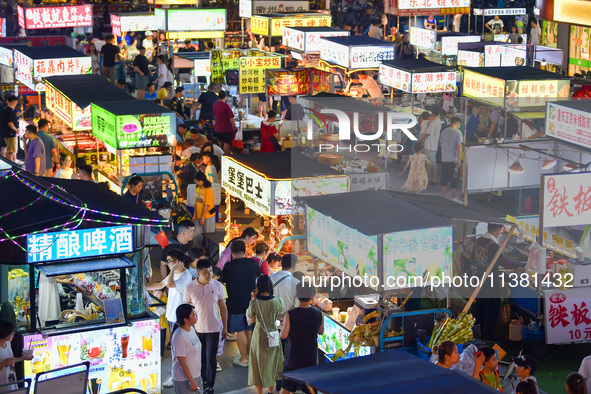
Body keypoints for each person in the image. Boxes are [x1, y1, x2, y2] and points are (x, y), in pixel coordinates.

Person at [146, 249, 193, 388]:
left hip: (180, 318)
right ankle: (178, 375)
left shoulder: (185, 276)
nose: (167, 264)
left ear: (177, 262)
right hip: (173, 316)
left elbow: (170, 284)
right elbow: (161, 284)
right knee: (176, 348)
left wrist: (172, 271)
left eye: (169, 261)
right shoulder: (176, 273)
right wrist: (143, 287)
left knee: (177, 350)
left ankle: (176, 377)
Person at [183, 259, 227, 394]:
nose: (209, 274)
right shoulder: (190, 287)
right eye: (205, 272)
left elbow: (223, 307)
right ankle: (200, 381)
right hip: (196, 329)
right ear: (198, 273)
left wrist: (225, 327)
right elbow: (186, 309)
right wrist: (189, 328)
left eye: (210, 271)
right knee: (198, 358)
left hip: (214, 328)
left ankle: (209, 385)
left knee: (210, 358)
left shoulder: (218, 286)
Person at [471, 224, 522, 340]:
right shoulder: (493, 246)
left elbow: (472, 258)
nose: (499, 233)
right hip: (491, 281)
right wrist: (519, 264)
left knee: (480, 305)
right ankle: (488, 336)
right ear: (495, 230)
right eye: (499, 231)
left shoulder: (478, 240)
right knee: (492, 307)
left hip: (479, 278)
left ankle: (476, 333)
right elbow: (504, 262)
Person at [222, 240, 261, 368]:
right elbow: (258, 277)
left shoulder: (229, 266)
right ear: (245, 251)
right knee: (249, 329)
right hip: (251, 302)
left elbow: (223, 282)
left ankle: (243, 358)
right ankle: (249, 356)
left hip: (235, 302)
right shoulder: (253, 263)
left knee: (240, 331)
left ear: (232, 252)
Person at [280, 282, 323, 394]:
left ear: (297, 295)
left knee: (286, 388)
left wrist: (282, 325)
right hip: (310, 359)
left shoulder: (290, 314)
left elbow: (283, 335)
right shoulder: (319, 313)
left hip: (293, 359)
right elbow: (321, 331)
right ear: (312, 296)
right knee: (310, 390)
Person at [247, 275, 284, 394]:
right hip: (273, 335)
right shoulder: (277, 301)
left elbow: (251, 320)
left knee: (257, 366)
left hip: (259, 337)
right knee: (272, 364)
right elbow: (279, 313)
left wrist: (253, 298)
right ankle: (271, 392)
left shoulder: (254, 303)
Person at [171, 304, 202, 394]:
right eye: (193, 315)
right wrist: (191, 382)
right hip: (184, 379)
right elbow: (182, 362)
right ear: (185, 320)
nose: (196, 316)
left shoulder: (191, 329)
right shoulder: (179, 336)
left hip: (195, 375)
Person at [0, 319, 33, 391]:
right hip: (2, 386)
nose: (13, 333)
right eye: (11, 332)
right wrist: (3, 364)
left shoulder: (8, 343)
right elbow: (6, 362)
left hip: (12, 383)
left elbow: (11, 361)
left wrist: (23, 358)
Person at [439, 116, 462, 201]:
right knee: (454, 179)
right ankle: (454, 198)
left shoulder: (444, 131)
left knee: (444, 178)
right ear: (457, 123)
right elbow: (459, 147)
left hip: (444, 159)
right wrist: (459, 161)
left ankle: (443, 197)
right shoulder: (458, 132)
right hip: (453, 160)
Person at [418, 106, 442, 185]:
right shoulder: (437, 120)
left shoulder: (434, 122)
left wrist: (421, 138)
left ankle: (431, 178)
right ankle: (431, 178)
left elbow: (428, 132)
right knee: (432, 163)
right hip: (432, 144)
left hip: (430, 145)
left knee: (431, 163)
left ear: (433, 113)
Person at [192, 172, 215, 246]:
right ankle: (197, 252)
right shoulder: (197, 188)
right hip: (199, 216)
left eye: (199, 181)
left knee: (209, 236)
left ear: (203, 180)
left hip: (208, 216)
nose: (197, 182)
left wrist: (203, 217)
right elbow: (196, 203)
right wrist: (194, 215)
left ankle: (211, 255)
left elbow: (206, 205)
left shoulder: (208, 190)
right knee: (197, 235)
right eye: (196, 181)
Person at [212, 90, 236, 155]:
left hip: (217, 128)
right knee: (226, 143)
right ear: (225, 97)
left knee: (219, 143)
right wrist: (234, 125)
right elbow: (231, 117)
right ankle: (226, 157)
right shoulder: (226, 105)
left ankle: (219, 156)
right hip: (226, 128)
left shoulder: (215, 104)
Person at [0, 95, 19, 161]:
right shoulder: (9, 111)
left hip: (6, 133)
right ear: (14, 102)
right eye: (16, 102)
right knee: (10, 151)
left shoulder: (6, 109)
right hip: (10, 134)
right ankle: (10, 166)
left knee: (9, 150)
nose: (16, 104)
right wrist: (16, 129)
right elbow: (10, 123)